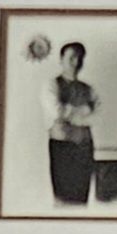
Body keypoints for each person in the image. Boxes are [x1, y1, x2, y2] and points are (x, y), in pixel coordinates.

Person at [46, 39, 97, 204]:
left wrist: (72, 113)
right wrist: (84, 110)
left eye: (80, 58)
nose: (76, 62)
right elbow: (57, 111)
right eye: (72, 58)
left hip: (84, 147)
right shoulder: (51, 85)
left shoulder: (88, 89)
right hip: (63, 147)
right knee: (63, 198)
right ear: (61, 60)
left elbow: (98, 115)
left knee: (81, 198)